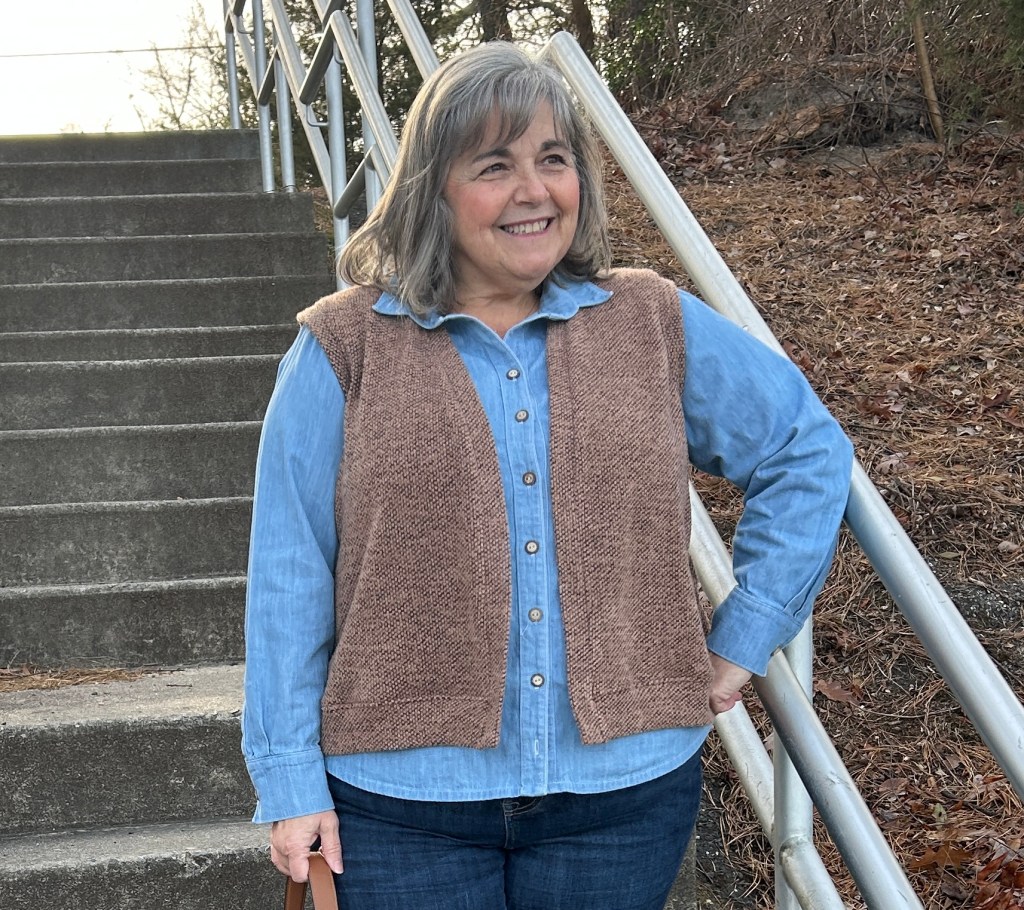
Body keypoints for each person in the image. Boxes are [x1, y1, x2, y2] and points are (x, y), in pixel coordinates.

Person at [242, 41, 853, 910]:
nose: (533, 190)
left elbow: (805, 448)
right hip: (402, 811)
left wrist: (746, 632)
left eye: (553, 159)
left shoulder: (650, 320)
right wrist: (289, 779)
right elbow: (288, 571)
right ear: (433, 188)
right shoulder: (343, 347)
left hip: (623, 801)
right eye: (495, 165)